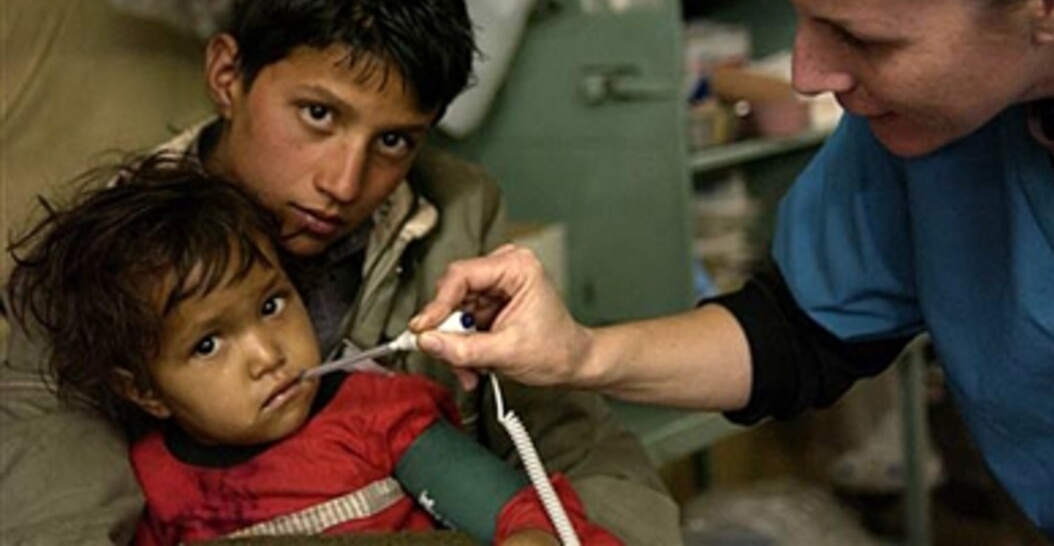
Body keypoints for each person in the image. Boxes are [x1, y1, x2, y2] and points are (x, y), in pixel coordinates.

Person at [412, 0, 1054, 541]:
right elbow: (796, 331)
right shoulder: (925, 134)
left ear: (1051, 0)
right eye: (801, 14)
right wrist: (580, 353)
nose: (804, 73)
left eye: (859, 37)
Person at [0, 0, 679, 545]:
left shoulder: (456, 212)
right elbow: (58, 511)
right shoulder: (98, 268)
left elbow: (575, 443)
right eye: (319, 115)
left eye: (394, 141)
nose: (346, 183)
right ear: (228, 76)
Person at [7, 154, 619, 545]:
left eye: (272, 306)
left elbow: (519, 520)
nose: (267, 355)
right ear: (143, 390)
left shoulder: (377, 414)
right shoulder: (155, 486)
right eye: (209, 344)